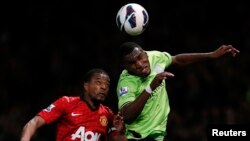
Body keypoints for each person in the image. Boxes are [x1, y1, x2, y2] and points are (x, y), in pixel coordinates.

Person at [116, 42, 240, 141]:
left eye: (140, 57)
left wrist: (211, 55)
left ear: (145, 53)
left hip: (157, 134)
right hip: (138, 137)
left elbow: (177, 59)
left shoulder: (155, 57)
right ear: (125, 67)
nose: (138, 64)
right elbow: (127, 116)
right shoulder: (126, 82)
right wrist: (150, 88)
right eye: (131, 63)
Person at [20, 68, 127, 141]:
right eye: (98, 82)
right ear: (86, 86)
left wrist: (120, 132)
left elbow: (118, 139)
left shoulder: (108, 114)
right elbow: (34, 122)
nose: (104, 87)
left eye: (107, 85)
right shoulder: (67, 103)